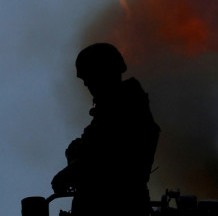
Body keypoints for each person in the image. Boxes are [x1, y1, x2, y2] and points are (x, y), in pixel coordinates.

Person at [51, 43, 160, 216]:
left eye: (89, 78)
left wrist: (70, 172)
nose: (87, 84)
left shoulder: (127, 109)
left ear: (104, 73)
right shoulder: (113, 112)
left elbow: (110, 160)